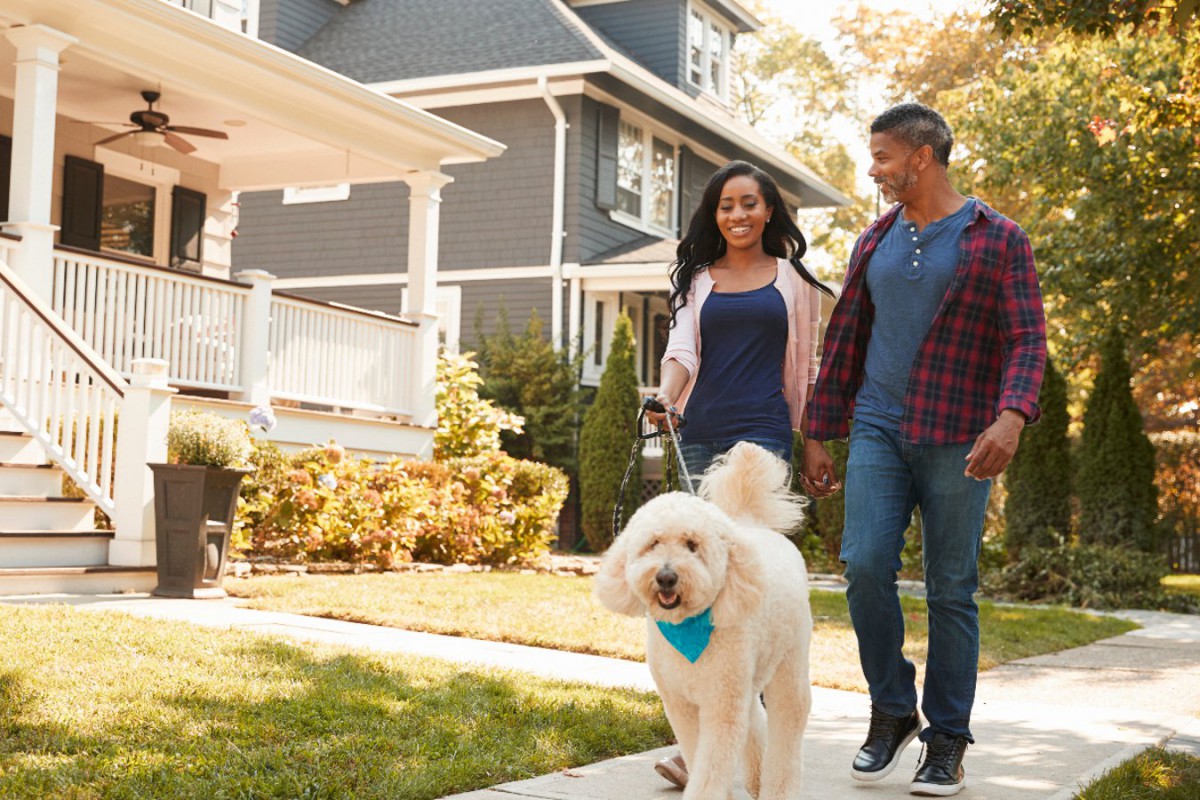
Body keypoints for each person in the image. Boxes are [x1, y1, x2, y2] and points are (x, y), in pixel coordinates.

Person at [801, 103, 1046, 796]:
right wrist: (819, 429)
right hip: (879, 426)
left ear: (921, 157)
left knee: (950, 589)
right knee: (865, 565)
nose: (872, 170)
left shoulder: (998, 238)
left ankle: (946, 740)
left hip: (961, 435)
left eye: (881, 157)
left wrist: (1012, 417)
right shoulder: (874, 239)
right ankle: (891, 709)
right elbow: (845, 339)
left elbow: (1027, 338)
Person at [646, 159, 833, 788]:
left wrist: (813, 442)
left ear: (770, 209)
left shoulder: (794, 282)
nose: (738, 215)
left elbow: (807, 369)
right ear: (715, 213)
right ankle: (707, 739)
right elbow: (680, 351)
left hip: (765, 436)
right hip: (700, 433)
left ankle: (731, 737)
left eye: (750, 203)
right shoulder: (698, 280)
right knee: (700, 584)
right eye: (727, 205)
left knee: (750, 584)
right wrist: (666, 398)